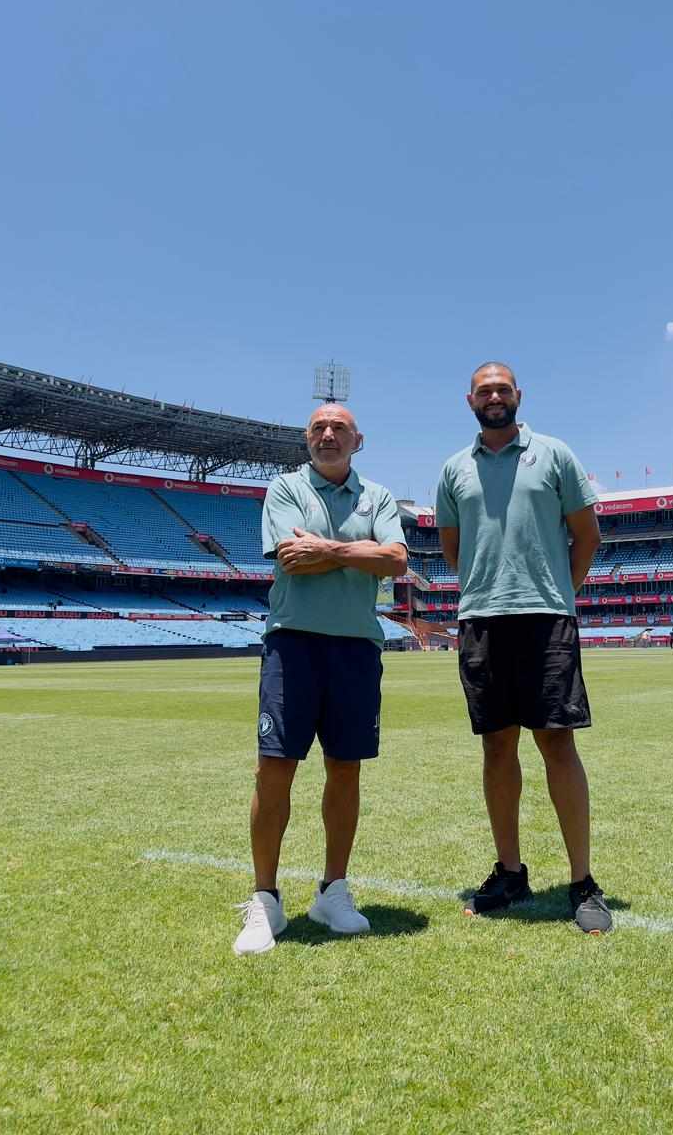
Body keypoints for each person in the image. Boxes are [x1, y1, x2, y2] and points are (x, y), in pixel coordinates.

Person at [435, 362, 612, 934]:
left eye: (502, 389)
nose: (494, 396)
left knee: (557, 742)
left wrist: (559, 592)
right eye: (484, 390)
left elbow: (587, 535)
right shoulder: (454, 469)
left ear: (518, 396)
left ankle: (582, 881)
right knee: (496, 746)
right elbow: (453, 547)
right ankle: (510, 872)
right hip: (482, 620)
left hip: (546, 619)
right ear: (470, 400)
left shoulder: (555, 454)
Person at [234, 404, 407, 955]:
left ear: (358, 440)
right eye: (318, 428)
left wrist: (327, 549)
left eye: (338, 429)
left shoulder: (378, 496)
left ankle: (333, 891)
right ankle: (265, 900)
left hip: (356, 646)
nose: (327, 435)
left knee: (345, 768)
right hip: (293, 643)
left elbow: (396, 561)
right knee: (274, 768)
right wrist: (361, 554)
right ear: (307, 439)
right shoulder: (285, 488)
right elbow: (292, 559)